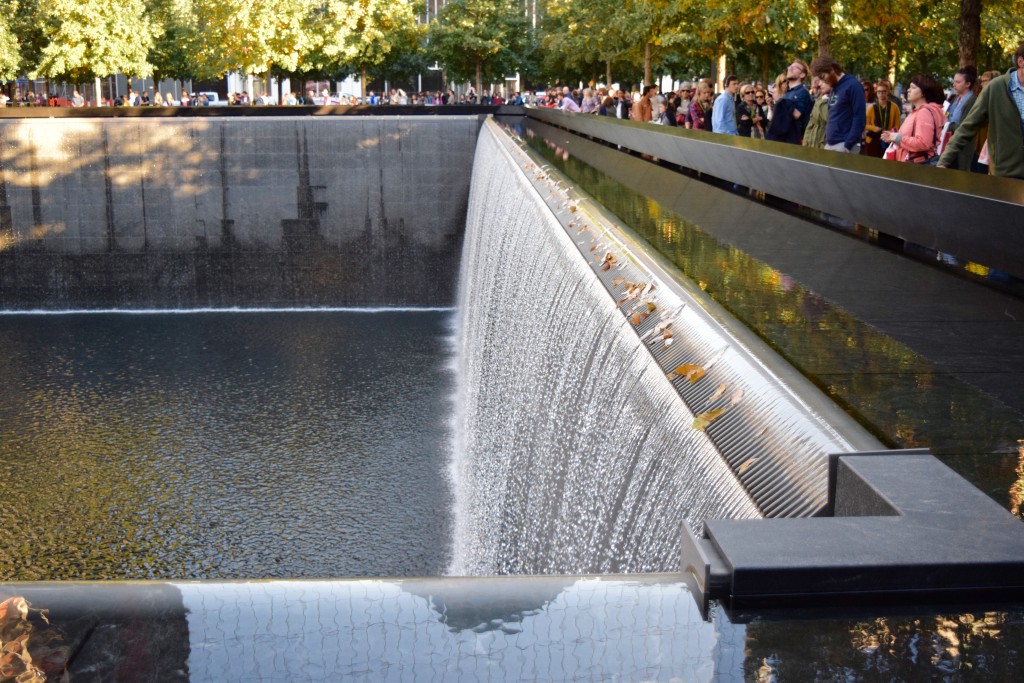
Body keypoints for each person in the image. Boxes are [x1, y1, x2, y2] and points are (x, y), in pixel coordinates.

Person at [939, 44, 1024, 178]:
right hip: (1005, 174)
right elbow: (967, 127)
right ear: (1020, 62)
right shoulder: (996, 88)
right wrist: (944, 161)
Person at [880, 74, 945, 165]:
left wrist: (896, 137)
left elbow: (923, 143)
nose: (908, 90)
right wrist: (893, 136)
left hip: (916, 167)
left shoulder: (924, 113)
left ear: (923, 92)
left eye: (913, 87)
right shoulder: (919, 111)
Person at [811, 55, 867, 153]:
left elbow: (859, 118)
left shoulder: (853, 85)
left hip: (845, 145)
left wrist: (847, 145)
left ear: (832, 70)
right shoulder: (835, 87)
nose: (821, 82)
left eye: (823, 77)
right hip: (830, 144)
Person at [943, 66, 979, 171]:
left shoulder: (972, 101)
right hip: (950, 143)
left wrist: (948, 125)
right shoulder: (956, 98)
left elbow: (966, 126)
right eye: (954, 81)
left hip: (962, 148)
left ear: (968, 84)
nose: (954, 85)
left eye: (958, 82)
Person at [862, 79, 902, 157]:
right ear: (876, 93)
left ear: (888, 92)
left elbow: (897, 126)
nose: (881, 94)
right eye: (879, 91)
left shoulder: (894, 107)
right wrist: (873, 128)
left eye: (884, 91)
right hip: (873, 141)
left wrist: (890, 133)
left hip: (888, 140)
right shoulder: (871, 108)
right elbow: (863, 124)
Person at [781, 59, 813, 143]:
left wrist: (780, 101)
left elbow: (796, 115)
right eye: (790, 66)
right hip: (785, 136)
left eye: (795, 67)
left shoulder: (803, 92)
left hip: (796, 139)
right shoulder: (787, 93)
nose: (790, 69)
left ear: (802, 75)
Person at [802, 77, 831, 149]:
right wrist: (805, 142)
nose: (819, 83)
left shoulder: (835, 98)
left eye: (823, 80)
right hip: (812, 143)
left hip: (824, 144)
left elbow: (828, 119)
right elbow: (811, 124)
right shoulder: (820, 98)